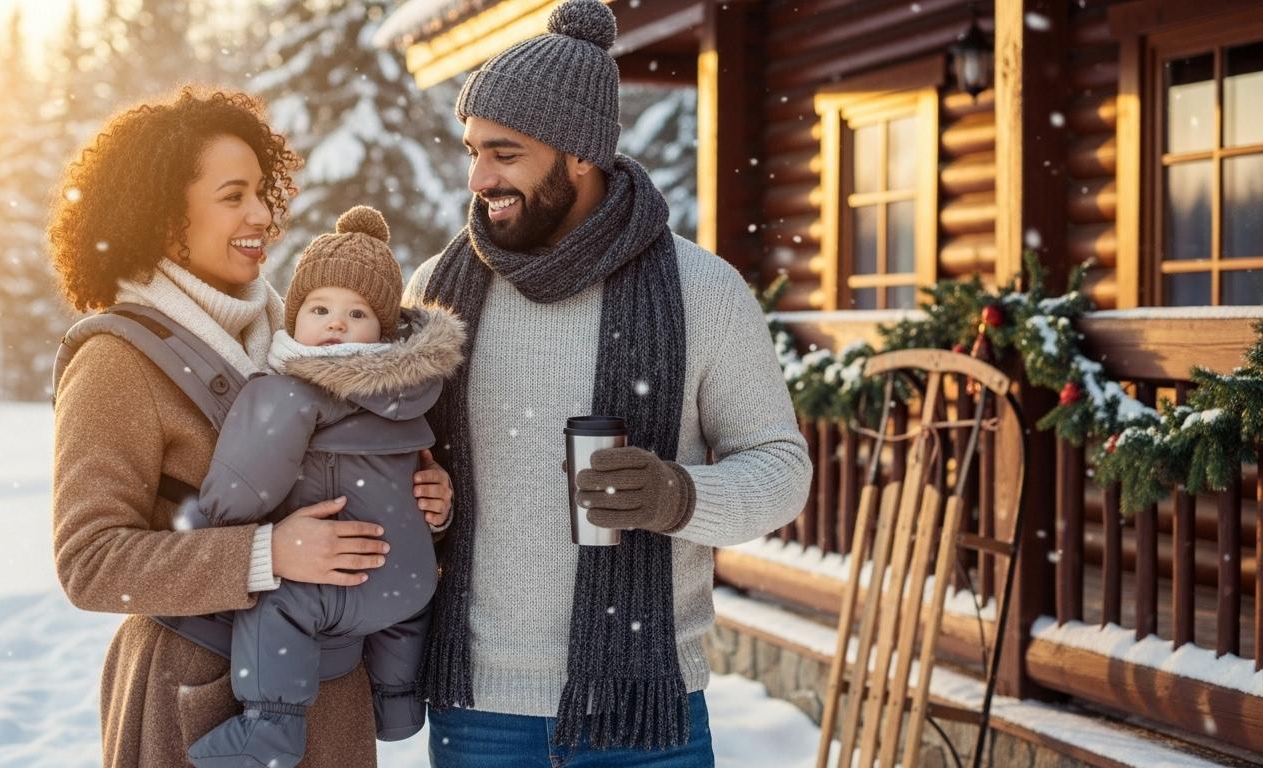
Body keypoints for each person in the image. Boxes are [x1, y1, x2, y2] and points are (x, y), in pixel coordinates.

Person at [403, 1, 813, 765]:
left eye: (505, 153)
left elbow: (781, 469)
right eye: (473, 151)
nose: (480, 178)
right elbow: (388, 451)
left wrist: (677, 496)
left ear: (580, 154)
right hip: (480, 709)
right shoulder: (437, 290)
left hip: (647, 710)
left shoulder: (701, 290)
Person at [47, 88, 453, 768]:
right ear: (163, 215)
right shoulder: (117, 360)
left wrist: (423, 496)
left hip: (335, 696)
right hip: (199, 697)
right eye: (233, 195)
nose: (262, 214)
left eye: (262, 193)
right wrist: (266, 555)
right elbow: (89, 563)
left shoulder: (304, 340)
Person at [184, 206, 465, 768]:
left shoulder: (290, 391)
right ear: (296, 315)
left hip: (336, 580)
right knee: (399, 618)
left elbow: (245, 484)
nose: (336, 325)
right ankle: (397, 705)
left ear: (383, 328)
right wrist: (439, 512)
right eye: (320, 309)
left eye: (356, 313)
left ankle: (269, 728)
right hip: (410, 580)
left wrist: (213, 516)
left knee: (275, 603)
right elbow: (417, 480)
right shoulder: (411, 396)